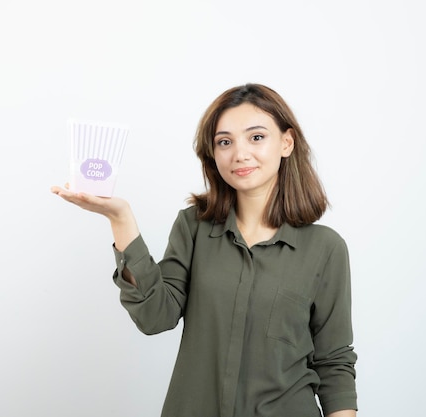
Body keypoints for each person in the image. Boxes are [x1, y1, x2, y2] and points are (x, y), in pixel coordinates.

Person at [51, 83, 357, 417]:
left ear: (286, 142)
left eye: (256, 137)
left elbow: (334, 362)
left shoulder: (325, 248)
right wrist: (120, 218)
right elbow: (156, 316)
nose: (239, 153)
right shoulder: (194, 227)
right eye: (225, 142)